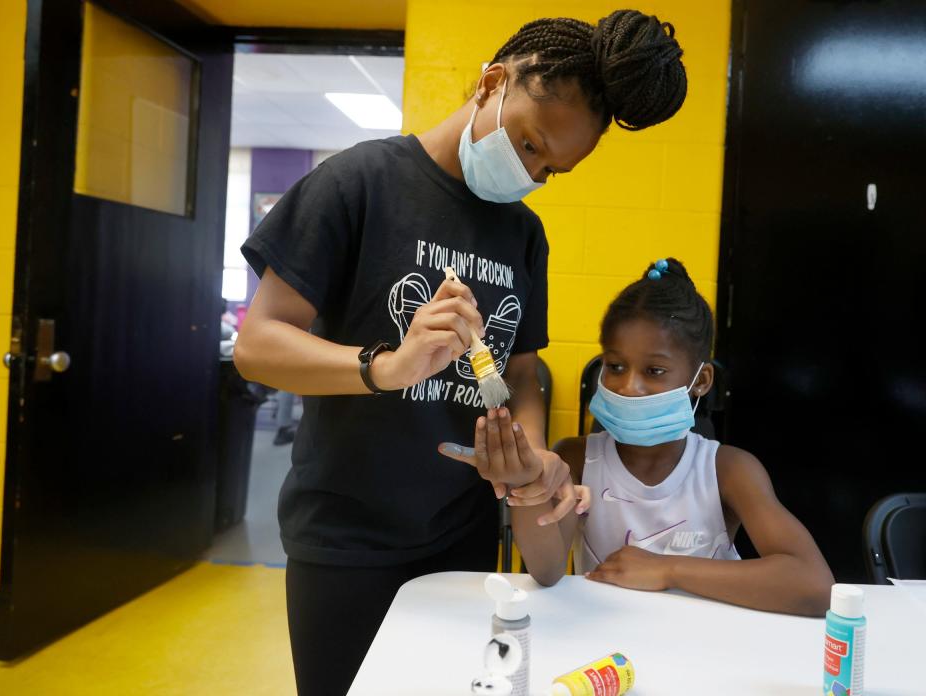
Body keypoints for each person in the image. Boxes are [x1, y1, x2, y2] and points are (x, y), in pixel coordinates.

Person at [233, 12, 688, 694]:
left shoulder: (524, 235)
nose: (532, 172)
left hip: (462, 538)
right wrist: (385, 367)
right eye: (530, 143)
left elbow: (524, 370)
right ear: (492, 81)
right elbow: (257, 344)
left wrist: (529, 457)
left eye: (551, 168)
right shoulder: (358, 183)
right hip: (347, 538)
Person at [443, 258, 834, 617]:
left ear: (700, 380)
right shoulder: (576, 459)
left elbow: (815, 586)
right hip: (607, 659)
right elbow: (545, 571)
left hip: (706, 653)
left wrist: (668, 570)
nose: (630, 385)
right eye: (615, 366)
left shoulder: (728, 470)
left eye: (655, 371)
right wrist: (529, 480)